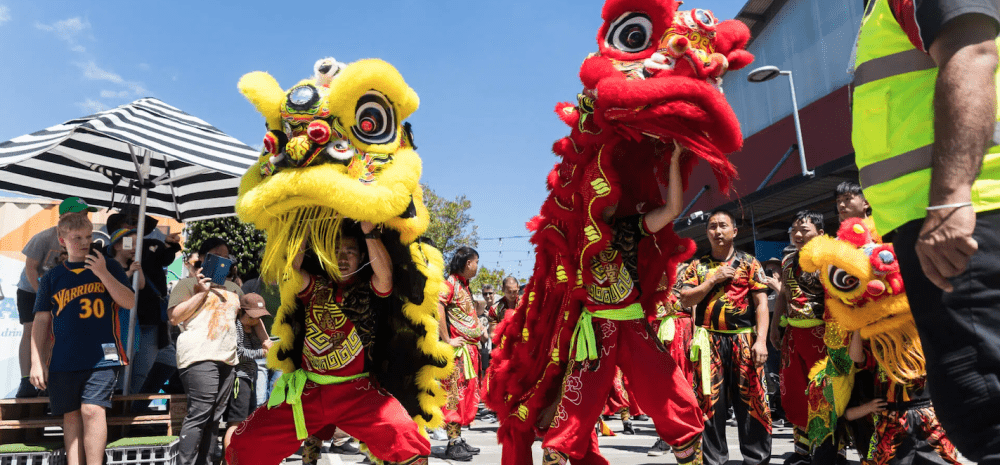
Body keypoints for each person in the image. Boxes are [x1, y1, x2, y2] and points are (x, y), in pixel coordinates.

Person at [853, 1, 1000, 461]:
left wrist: (951, 195)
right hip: (952, 217)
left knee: (985, 402)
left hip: (967, 218)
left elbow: (972, 53)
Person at [538, 146, 704, 465]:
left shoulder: (630, 227)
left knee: (673, 396)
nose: (610, 199)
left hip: (632, 325)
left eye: (613, 190)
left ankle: (691, 454)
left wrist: (672, 160)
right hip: (592, 333)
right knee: (571, 415)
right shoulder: (571, 237)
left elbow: (671, 210)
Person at [227, 222, 432, 465]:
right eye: (336, 251)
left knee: (408, 440)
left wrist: (368, 231)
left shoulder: (371, 289)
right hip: (308, 391)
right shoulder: (313, 286)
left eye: (350, 252)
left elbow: (385, 276)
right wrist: (303, 222)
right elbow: (290, 270)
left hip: (358, 393)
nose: (342, 258)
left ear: (362, 256)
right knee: (247, 442)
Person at [29, 213, 135, 465]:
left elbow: (129, 301)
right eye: (77, 238)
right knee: (71, 415)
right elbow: (41, 321)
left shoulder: (109, 265)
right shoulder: (53, 276)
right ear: (62, 240)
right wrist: (36, 361)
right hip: (64, 358)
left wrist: (102, 273)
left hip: (103, 355)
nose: (84, 242)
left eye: (88, 236)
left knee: (92, 409)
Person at [679, 209, 770, 465]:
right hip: (708, 342)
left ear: (734, 231)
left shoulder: (750, 263)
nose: (717, 231)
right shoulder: (698, 266)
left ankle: (757, 459)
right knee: (709, 404)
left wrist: (761, 340)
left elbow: (762, 304)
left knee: (753, 403)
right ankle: (713, 460)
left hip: (744, 340)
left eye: (722, 226)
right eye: (712, 227)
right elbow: (686, 298)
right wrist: (712, 280)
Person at [168, 238, 244, 465]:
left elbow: (245, 318)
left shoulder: (234, 288)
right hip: (199, 356)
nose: (222, 261)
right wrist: (202, 292)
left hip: (228, 358)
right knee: (200, 413)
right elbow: (174, 317)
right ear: (202, 258)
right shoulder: (186, 284)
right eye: (215, 256)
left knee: (214, 418)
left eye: (226, 257)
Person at [767, 211, 833, 465]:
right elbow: (783, 294)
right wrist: (775, 327)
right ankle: (803, 451)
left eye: (804, 229)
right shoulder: (787, 261)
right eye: (794, 230)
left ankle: (830, 451)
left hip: (822, 335)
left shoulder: (829, 259)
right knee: (795, 393)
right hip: (793, 335)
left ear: (820, 233)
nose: (797, 234)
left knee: (824, 394)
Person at [15, 197, 97, 398]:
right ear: (65, 216)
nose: (84, 217)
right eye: (81, 213)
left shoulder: (83, 239)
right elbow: (30, 268)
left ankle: (48, 379)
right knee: (31, 330)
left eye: (86, 214)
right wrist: (40, 294)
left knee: (55, 334)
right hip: (30, 290)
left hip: (61, 292)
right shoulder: (43, 238)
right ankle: (26, 380)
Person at [438, 246, 484, 461]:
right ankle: (452, 443)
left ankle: (457, 439)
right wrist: (447, 339)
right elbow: (438, 306)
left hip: (470, 352)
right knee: (453, 398)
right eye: (476, 261)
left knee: (465, 397)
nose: (477, 266)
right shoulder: (449, 284)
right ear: (468, 263)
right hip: (458, 354)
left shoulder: (463, 285)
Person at [223, 293, 271, 457]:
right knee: (236, 421)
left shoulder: (252, 327)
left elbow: (265, 341)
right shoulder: (236, 326)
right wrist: (261, 353)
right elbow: (239, 353)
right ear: (242, 312)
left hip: (250, 376)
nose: (256, 320)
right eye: (252, 317)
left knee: (247, 420)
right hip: (240, 378)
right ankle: (231, 458)